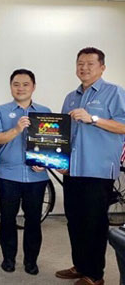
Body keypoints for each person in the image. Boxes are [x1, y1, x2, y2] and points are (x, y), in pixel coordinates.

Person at [55, 47, 125, 285]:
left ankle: (95, 276)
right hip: (73, 170)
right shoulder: (70, 97)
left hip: (98, 170)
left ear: (102, 67)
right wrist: (62, 162)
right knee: (74, 220)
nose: (83, 68)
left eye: (89, 64)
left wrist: (93, 119)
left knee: (94, 224)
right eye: (80, 63)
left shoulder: (114, 92)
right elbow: (64, 134)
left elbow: (123, 126)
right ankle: (80, 265)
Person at [0, 69, 51, 275]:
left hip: (37, 176)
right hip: (8, 175)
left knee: (33, 220)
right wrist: (17, 129)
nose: (20, 88)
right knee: (8, 219)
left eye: (25, 84)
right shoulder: (0, 110)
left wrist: (45, 162)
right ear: (10, 87)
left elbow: (50, 143)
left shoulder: (45, 110)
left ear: (33, 87)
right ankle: (8, 258)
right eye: (16, 84)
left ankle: (31, 261)